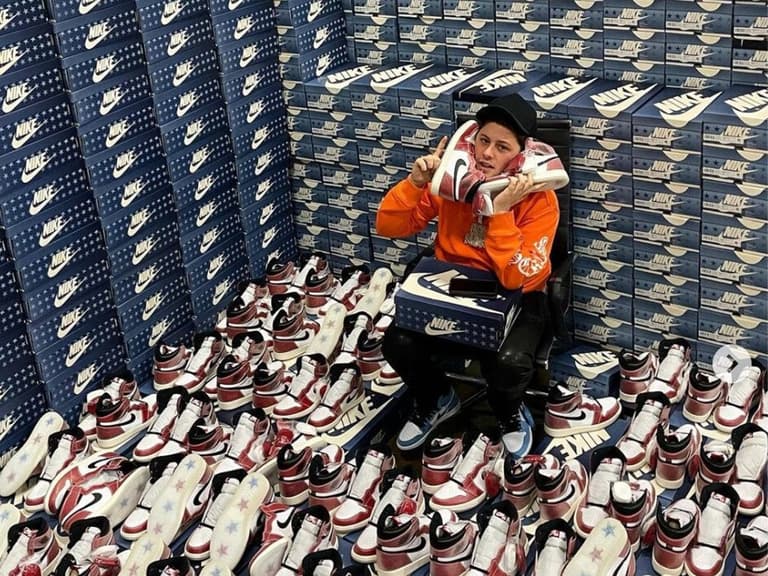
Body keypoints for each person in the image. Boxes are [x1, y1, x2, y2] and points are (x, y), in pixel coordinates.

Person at [375, 94, 561, 457]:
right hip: (456, 286)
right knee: (397, 342)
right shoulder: (452, 181)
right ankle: (437, 398)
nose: (487, 153)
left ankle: (508, 412)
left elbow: (513, 279)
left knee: (506, 363)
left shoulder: (541, 200)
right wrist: (415, 184)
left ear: (520, 157)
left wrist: (501, 213)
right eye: (483, 141)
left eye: (502, 147)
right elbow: (387, 226)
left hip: (519, 294)